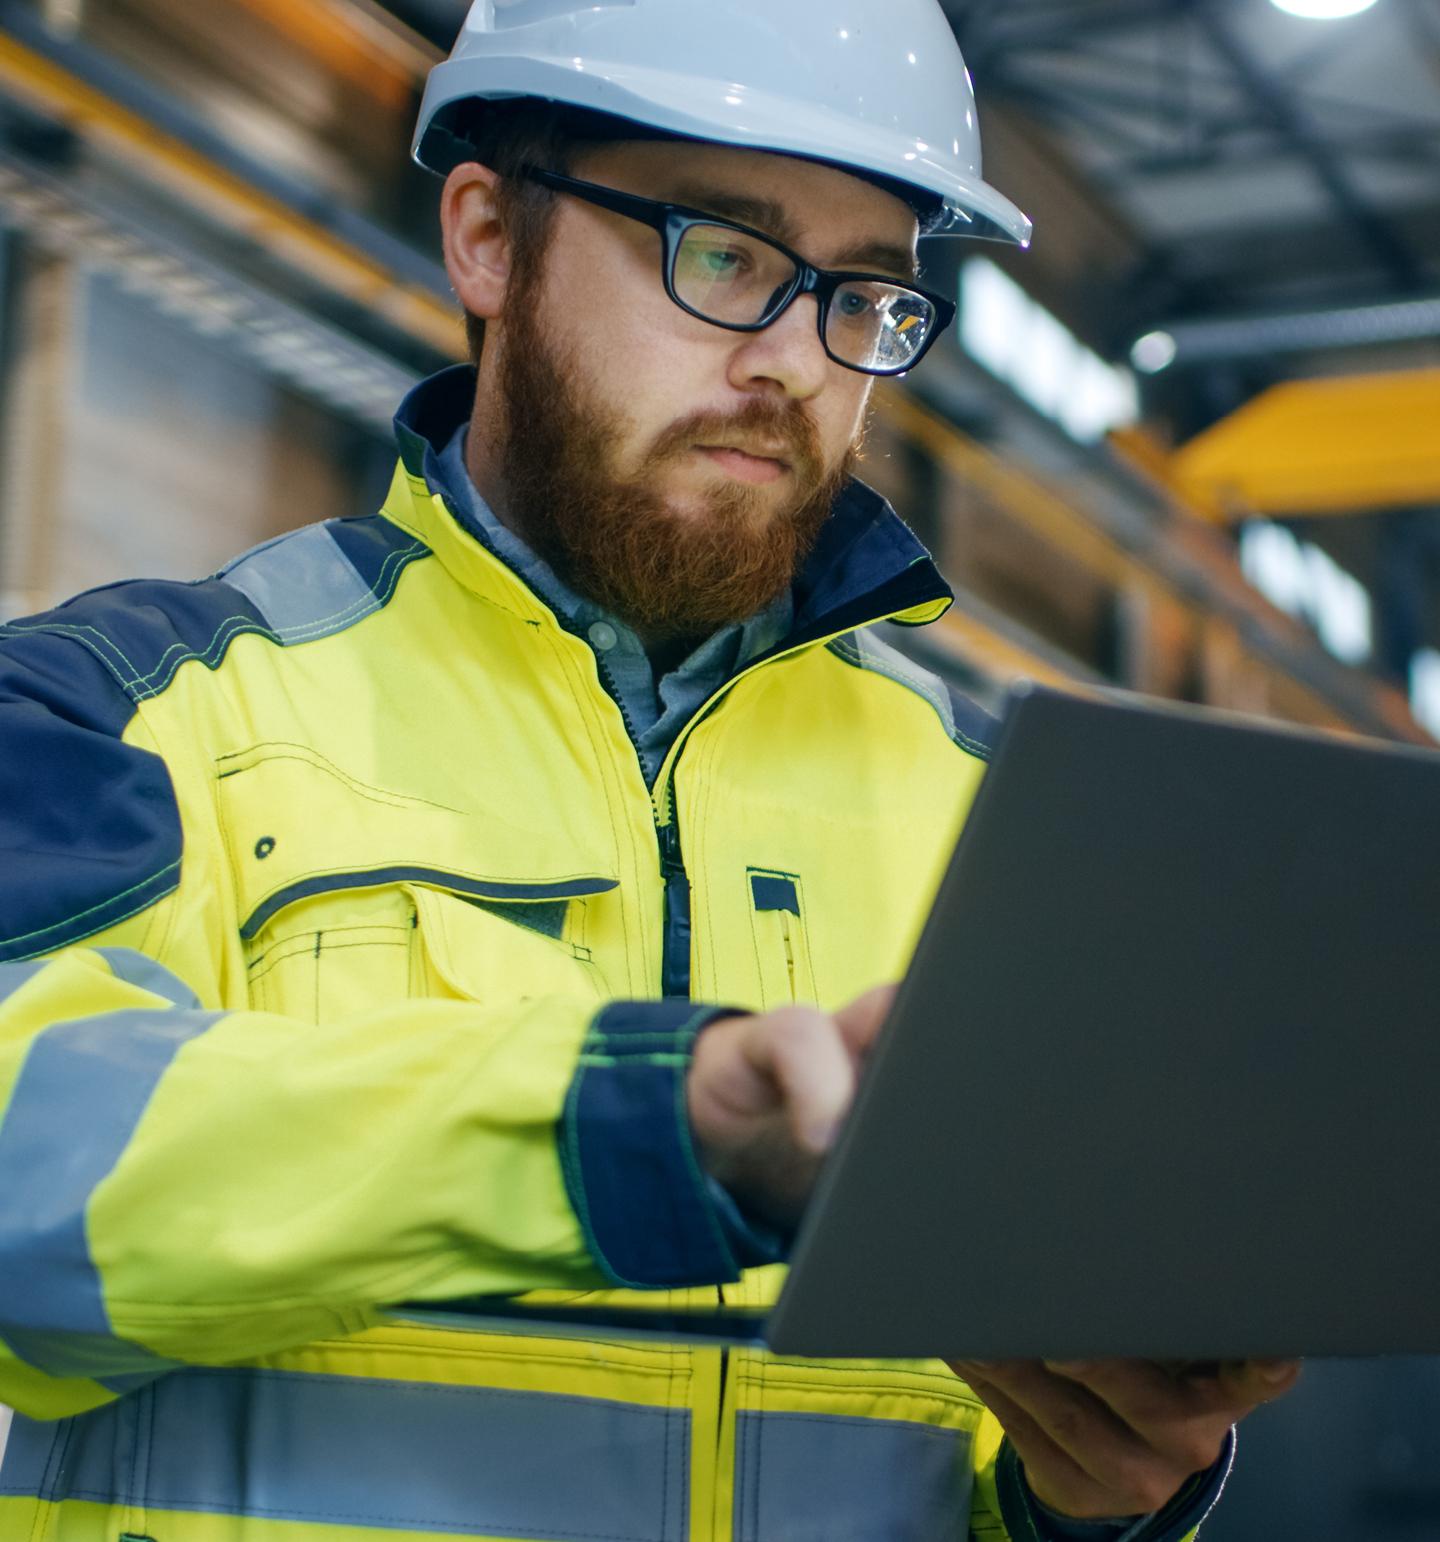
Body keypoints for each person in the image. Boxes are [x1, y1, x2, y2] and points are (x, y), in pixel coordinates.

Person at [0, 1, 1297, 1537]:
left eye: (861, 294)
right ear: (487, 237)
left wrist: (1090, 1487)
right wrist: (644, 1121)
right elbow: (31, 1184)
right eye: (722, 253)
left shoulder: (1009, 818)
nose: (791, 364)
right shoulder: (131, 706)